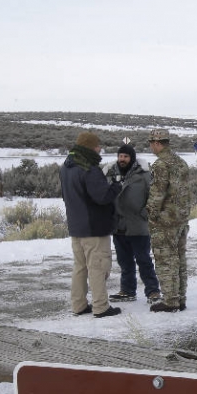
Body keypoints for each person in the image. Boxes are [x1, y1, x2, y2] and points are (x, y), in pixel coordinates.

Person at [60, 131, 123, 318]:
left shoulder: (66, 166)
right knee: (98, 267)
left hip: (76, 226)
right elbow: (102, 197)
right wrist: (116, 187)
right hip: (94, 227)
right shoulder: (89, 168)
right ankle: (101, 306)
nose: (100, 148)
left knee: (80, 267)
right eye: (97, 145)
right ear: (89, 147)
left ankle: (78, 305)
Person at [105, 144, 161, 305]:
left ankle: (153, 291)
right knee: (124, 262)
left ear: (132, 158)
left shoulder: (143, 175)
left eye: (125, 157)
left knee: (143, 260)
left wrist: (145, 214)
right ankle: (128, 290)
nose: (122, 159)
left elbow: (155, 197)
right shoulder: (111, 173)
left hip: (138, 225)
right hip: (119, 226)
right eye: (120, 156)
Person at [146, 129, 191, 312]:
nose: (151, 146)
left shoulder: (160, 165)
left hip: (165, 220)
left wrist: (151, 213)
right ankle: (180, 299)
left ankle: (170, 301)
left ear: (157, 143)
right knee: (179, 259)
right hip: (181, 219)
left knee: (166, 260)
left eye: (151, 143)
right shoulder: (180, 162)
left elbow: (158, 193)